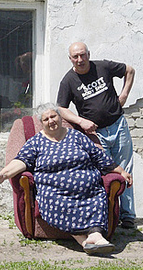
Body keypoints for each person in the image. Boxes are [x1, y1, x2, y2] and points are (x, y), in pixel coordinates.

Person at [0, 103, 131, 254]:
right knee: (58, 202)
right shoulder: (36, 142)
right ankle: (92, 240)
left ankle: (93, 237)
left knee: (96, 196)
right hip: (54, 191)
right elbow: (21, 161)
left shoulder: (76, 136)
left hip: (88, 189)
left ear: (60, 117)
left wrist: (121, 171)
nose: (51, 121)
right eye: (46, 119)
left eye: (53, 116)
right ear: (41, 123)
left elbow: (99, 157)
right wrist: (3, 175)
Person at [55, 41, 136, 228]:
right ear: (70, 59)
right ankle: (107, 216)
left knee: (125, 169)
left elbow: (129, 70)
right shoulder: (68, 81)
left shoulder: (103, 66)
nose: (80, 59)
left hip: (118, 125)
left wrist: (123, 95)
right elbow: (61, 108)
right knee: (104, 172)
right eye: (75, 56)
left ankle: (128, 215)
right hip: (95, 133)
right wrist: (80, 121)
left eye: (82, 55)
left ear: (88, 54)